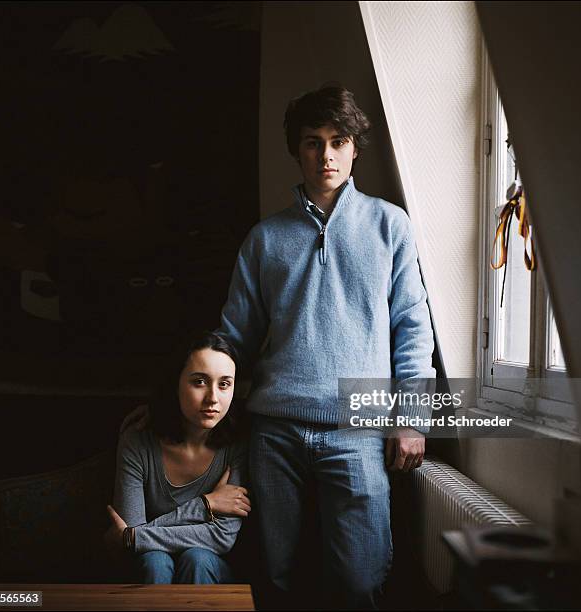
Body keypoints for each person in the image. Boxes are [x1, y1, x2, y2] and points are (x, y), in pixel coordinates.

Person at [214, 84, 436, 609]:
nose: (327, 154)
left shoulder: (390, 225)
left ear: (356, 147)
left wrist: (412, 417)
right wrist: (176, 404)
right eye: (313, 142)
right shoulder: (265, 239)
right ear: (298, 150)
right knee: (277, 576)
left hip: (359, 429)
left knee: (360, 580)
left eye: (339, 141)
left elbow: (413, 327)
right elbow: (232, 338)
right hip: (274, 431)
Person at [105, 332, 250, 584]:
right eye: (199, 382)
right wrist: (205, 505)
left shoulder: (237, 445)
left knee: (198, 558)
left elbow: (222, 537)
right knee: (155, 560)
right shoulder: (138, 440)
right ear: (175, 384)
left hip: (207, 569)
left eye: (224, 384)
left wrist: (134, 537)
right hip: (149, 566)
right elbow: (130, 537)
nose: (213, 398)